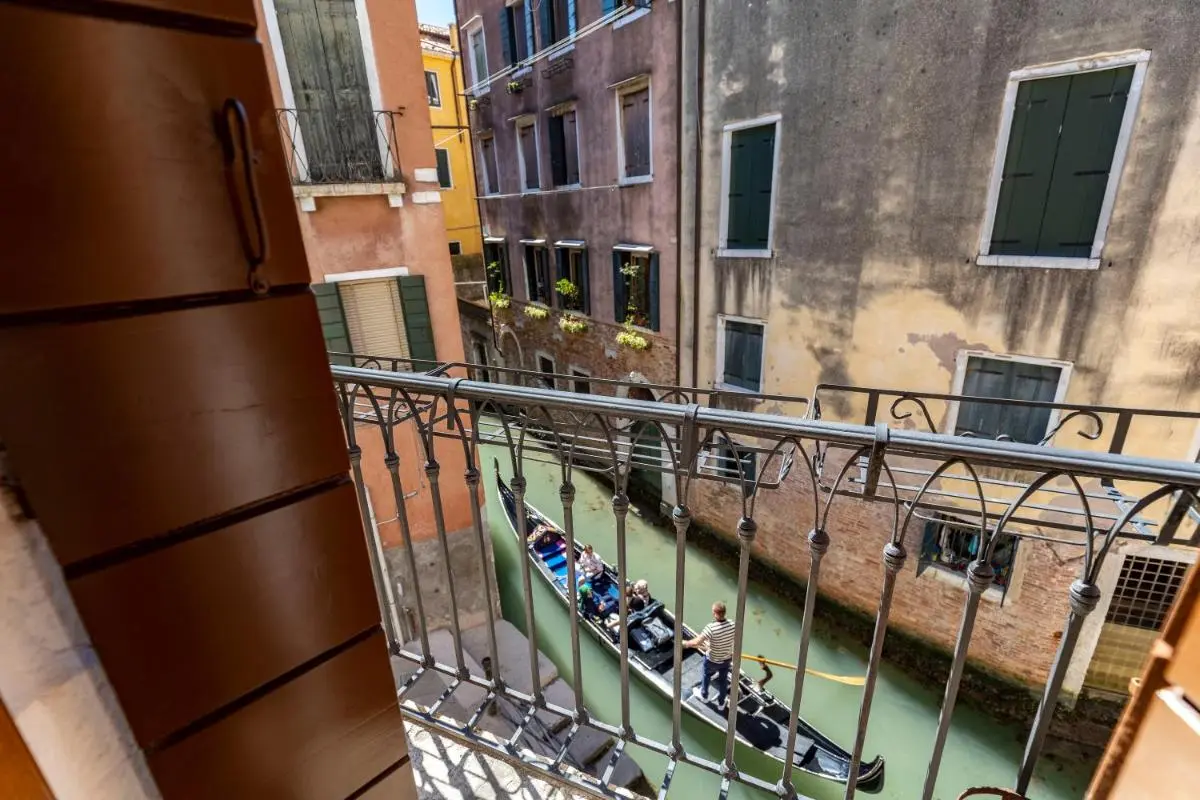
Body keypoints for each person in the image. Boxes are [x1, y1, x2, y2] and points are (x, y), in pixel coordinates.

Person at [684, 601, 736, 710]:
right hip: (726, 659)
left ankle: (703, 696)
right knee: (723, 681)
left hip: (712, 660)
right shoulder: (732, 624)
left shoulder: (711, 628)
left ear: (715, 613)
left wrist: (686, 643)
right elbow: (726, 638)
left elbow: (696, 643)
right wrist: (711, 643)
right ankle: (721, 703)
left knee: (706, 675)